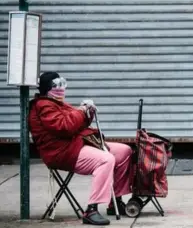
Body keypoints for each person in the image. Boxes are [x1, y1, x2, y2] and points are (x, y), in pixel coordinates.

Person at [28, 72, 132, 226]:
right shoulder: (43, 106)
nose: (62, 89)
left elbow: (76, 123)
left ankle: (115, 201)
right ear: (49, 89)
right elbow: (65, 127)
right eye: (58, 85)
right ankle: (91, 210)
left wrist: (87, 112)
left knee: (124, 151)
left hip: (75, 145)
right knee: (106, 159)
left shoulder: (55, 103)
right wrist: (80, 111)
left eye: (63, 85)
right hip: (61, 152)